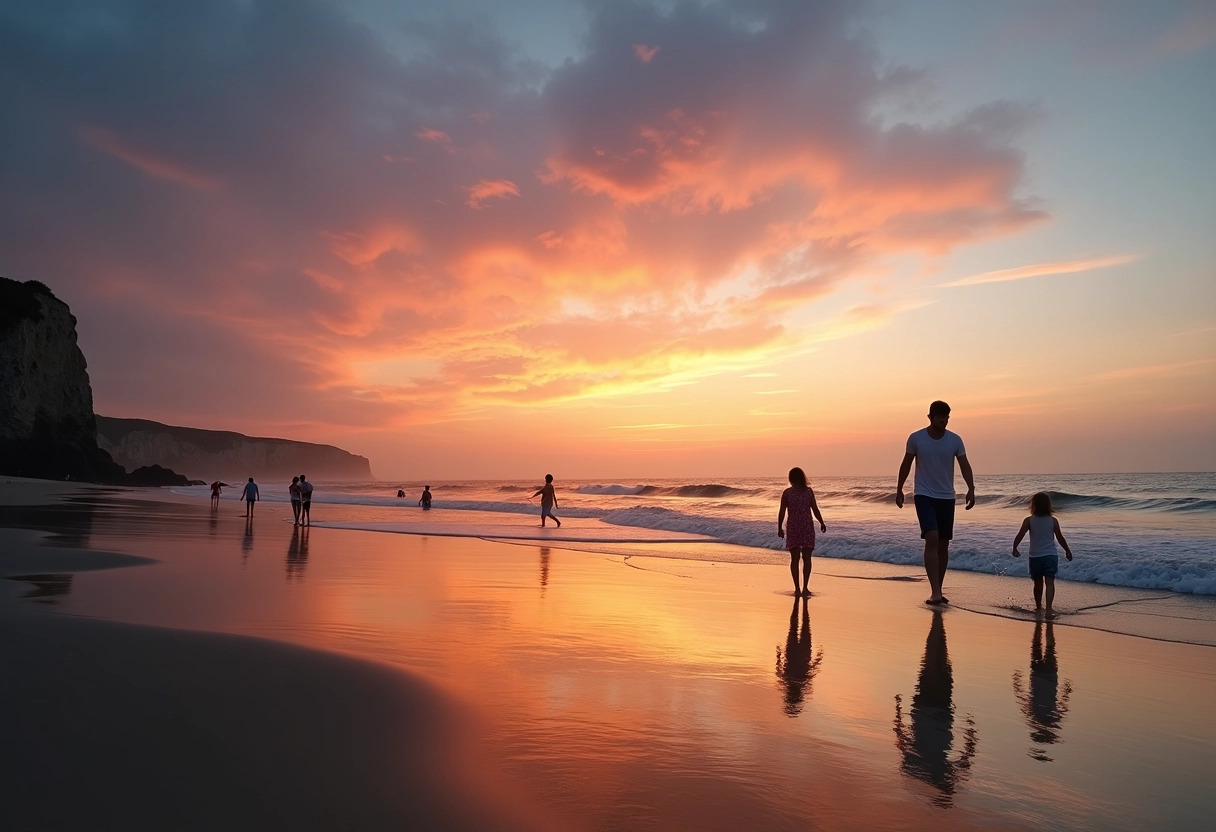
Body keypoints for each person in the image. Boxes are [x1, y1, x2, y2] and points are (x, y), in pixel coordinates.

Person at [895, 400, 976, 606]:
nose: (944, 422)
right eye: (940, 418)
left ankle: (938, 589)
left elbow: (965, 466)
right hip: (923, 494)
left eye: (947, 418)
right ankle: (935, 592)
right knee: (932, 537)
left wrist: (971, 488)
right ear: (930, 417)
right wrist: (899, 490)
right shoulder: (916, 438)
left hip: (947, 497)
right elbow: (906, 464)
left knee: (943, 544)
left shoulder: (955, 440)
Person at [1012, 492, 1073, 618]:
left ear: (1033, 505)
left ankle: (1039, 607)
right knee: (1049, 582)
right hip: (1051, 555)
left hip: (1035, 556)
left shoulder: (1029, 520)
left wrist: (1015, 547)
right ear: (1048, 505)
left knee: (1038, 583)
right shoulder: (1053, 521)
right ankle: (1049, 609)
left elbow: (1020, 534)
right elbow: (1060, 538)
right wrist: (1067, 550)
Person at [777, 466, 826, 596]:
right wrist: (821, 522)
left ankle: (797, 589)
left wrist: (779, 527)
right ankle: (805, 588)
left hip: (793, 527)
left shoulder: (787, 493)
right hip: (806, 527)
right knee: (807, 558)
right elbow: (815, 509)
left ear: (791, 478)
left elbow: (782, 511)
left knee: (795, 559)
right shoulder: (808, 492)